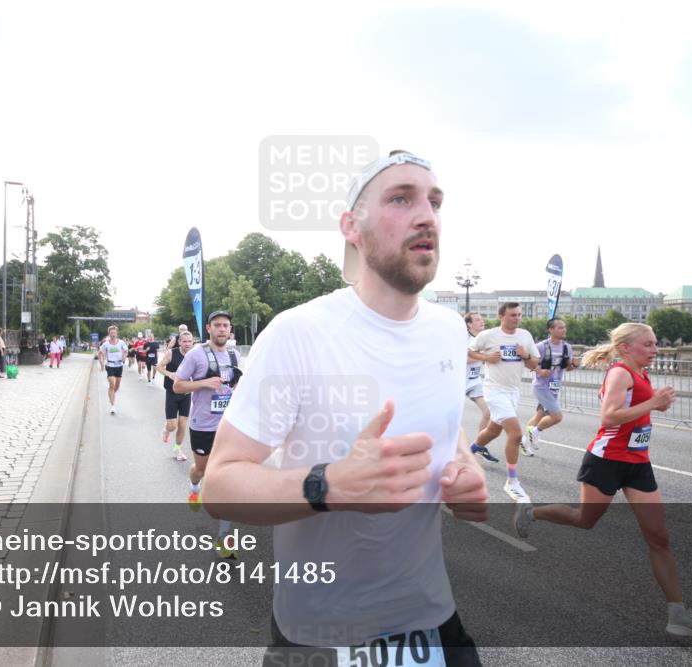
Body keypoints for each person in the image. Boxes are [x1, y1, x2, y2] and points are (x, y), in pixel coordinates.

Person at [203, 150, 488, 665]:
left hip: (434, 626)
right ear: (351, 227)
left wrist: (463, 470)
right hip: (320, 638)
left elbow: (448, 431)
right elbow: (219, 486)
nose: (427, 215)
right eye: (401, 198)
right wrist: (327, 484)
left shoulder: (449, 330)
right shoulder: (299, 333)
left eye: (435, 202)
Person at [513, 323, 692, 639]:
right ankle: (531, 513)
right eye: (648, 344)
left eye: (655, 344)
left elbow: (633, 412)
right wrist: (653, 403)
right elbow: (609, 416)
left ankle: (677, 614)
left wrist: (653, 403)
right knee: (584, 520)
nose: (655, 350)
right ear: (626, 347)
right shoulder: (620, 373)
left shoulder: (640, 372)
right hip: (606, 460)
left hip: (637, 462)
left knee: (659, 537)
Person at [173, 310, 242, 557]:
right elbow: (177, 384)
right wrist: (203, 383)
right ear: (209, 328)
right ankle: (194, 488)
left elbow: (238, 383)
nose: (222, 329)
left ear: (230, 330)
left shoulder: (235, 353)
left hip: (230, 426)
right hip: (203, 425)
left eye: (226, 325)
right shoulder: (196, 354)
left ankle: (224, 536)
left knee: (225, 478)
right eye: (217, 325)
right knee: (201, 470)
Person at [467, 302, 541, 502]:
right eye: (512, 315)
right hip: (494, 390)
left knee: (493, 431)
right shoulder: (489, 335)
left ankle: (467, 454)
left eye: (519, 315)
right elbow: (467, 352)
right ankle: (512, 481)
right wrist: (486, 357)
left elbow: (535, 364)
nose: (516, 318)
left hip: (513, 391)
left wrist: (524, 355)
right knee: (515, 433)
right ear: (501, 317)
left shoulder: (525, 336)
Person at [522, 318, 578, 455]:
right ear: (550, 330)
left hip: (555, 386)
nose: (563, 330)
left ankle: (522, 441)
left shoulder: (567, 347)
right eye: (559, 327)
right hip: (541, 386)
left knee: (539, 416)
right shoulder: (541, 346)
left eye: (564, 327)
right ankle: (535, 431)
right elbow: (529, 363)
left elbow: (567, 368)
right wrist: (540, 371)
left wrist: (575, 365)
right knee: (557, 416)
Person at [158, 330, 194, 461]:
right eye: (184, 341)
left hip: (186, 393)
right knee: (173, 426)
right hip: (172, 393)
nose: (187, 344)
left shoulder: (194, 355)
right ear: (179, 342)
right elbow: (159, 367)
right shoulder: (171, 353)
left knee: (183, 424)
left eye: (190, 341)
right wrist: (170, 374)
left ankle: (178, 449)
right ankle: (167, 429)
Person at [463, 312, 491, 433]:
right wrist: (484, 357)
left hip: (474, 382)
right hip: (459, 382)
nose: (482, 321)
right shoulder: (464, 338)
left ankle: (479, 445)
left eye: (481, 319)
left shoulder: (483, 339)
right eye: (477, 320)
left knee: (488, 411)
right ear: (469, 324)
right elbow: (465, 359)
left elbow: (486, 359)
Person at [98, 326, 128, 415]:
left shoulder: (121, 342)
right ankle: (113, 406)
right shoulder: (106, 344)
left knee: (117, 385)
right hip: (110, 365)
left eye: (114, 333)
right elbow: (99, 354)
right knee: (112, 384)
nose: (113, 334)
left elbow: (126, 351)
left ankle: (111, 395)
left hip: (119, 365)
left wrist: (124, 356)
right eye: (111, 333)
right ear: (109, 334)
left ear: (117, 333)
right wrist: (102, 364)